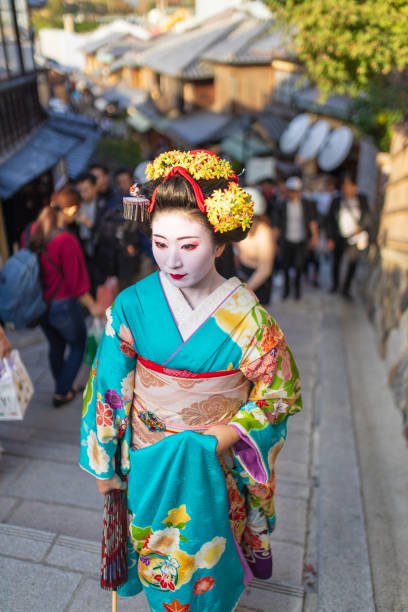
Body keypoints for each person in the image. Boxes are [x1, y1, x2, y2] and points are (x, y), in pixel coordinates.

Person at [79, 150, 302, 611]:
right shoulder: (132, 304)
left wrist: (225, 435)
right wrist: (104, 465)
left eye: (189, 244)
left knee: (209, 560)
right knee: (158, 558)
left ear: (220, 243)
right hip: (149, 460)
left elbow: (279, 394)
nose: (171, 260)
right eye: (160, 244)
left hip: (215, 463)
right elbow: (108, 387)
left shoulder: (249, 318)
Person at [27, 186, 104, 407]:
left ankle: (63, 384)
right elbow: (76, 282)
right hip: (63, 305)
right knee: (78, 345)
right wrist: (93, 306)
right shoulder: (66, 240)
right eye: (77, 210)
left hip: (40, 304)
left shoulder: (33, 230)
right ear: (70, 209)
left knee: (56, 346)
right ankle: (62, 392)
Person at [326, 172, 371, 300]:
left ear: (355, 186)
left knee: (352, 263)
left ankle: (346, 289)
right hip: (339, 236)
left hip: (355, 238)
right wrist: (330, 237)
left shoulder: (362, 200)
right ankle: (335, 285)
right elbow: (329, 220)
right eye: (344, 185)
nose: (346, 188)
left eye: (349, 185)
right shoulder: (336, 201)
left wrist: (361, 227)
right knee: (336, 261)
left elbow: (368, 216)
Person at [276, 176, 319, 300]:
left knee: (299, 265)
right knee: (285, 266)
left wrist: (315, 236)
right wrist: (275, 241)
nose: (293, 194)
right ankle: (286, 289)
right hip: (286, 239)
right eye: (291, 191)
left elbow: (312, 221)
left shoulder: (307, 204)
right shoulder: (282, 204)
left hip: (301, 239)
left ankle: (297, 289)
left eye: (296, 191)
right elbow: (278, 224)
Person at [236, 187, 275, 305]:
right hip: (242, 274)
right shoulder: (237, 227)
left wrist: (244, 291)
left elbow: (265, 269)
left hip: (259, 281)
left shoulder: (264, 232)